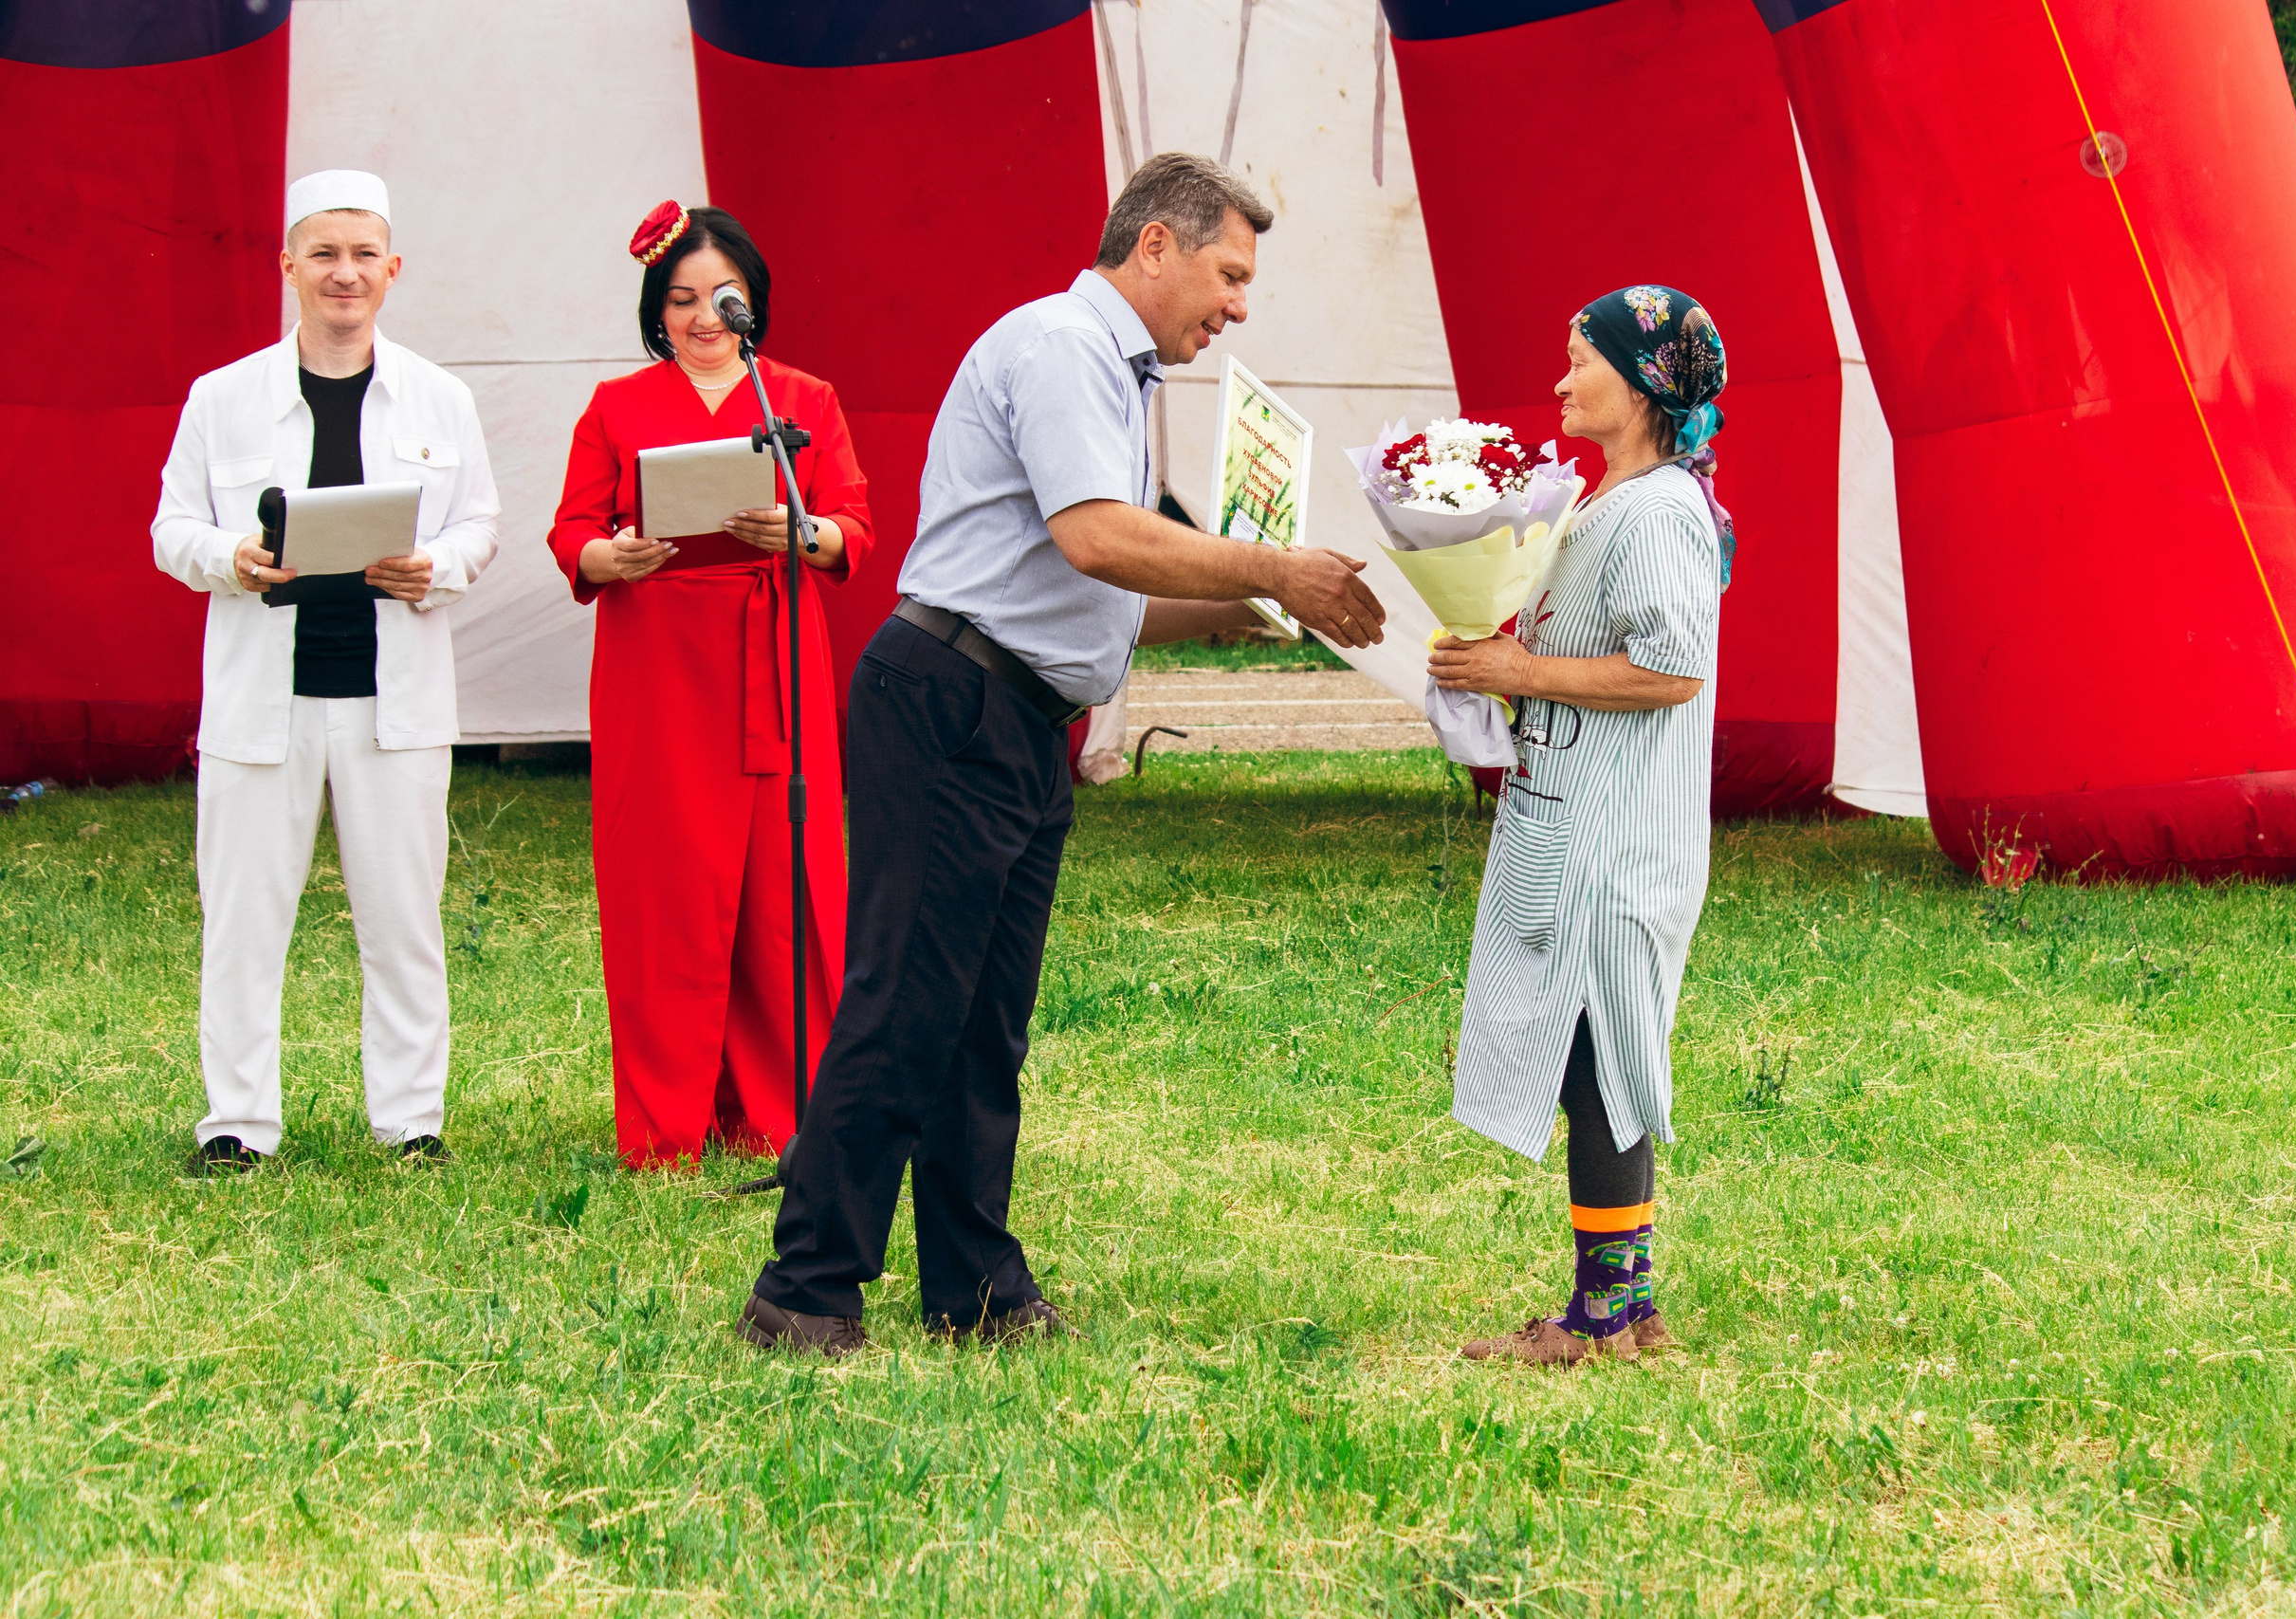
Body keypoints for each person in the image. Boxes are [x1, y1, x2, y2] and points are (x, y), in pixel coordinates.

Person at [735, 153, 1387, 1356]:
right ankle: (804, 1290)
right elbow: (1095, 540)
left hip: (1015, 719)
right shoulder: (1061, 347)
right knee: (903, 1001)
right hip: (951, 701)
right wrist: (1267, 567)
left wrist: (1272, 606)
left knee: (984, 1022)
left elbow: (1112, 595)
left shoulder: (1110, 370)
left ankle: (973, 1288)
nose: (1238, 305)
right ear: (1154, 245)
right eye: (1228, 273)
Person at [152, 170, 500, 1174]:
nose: (342, 274)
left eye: (362, 255)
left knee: (402, 921)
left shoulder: (440, 395)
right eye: (322, 253)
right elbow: (171, 527)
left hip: (395, 700)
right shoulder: (224, 398)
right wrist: (233, 558)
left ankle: (410, 1122)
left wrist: (435, 568)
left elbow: (479, 523)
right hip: (264, 700)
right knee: (244, 920)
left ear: (392, 270)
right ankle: (237, 1124)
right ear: (289, 267)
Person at [1428, 285, 1732, 1366]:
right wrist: (1494, 671)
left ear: (1642, 381)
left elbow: (1671, 670)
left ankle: (1605, 1317)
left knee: (1603, 1058)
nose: (1560, 380)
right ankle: (1621, 1303)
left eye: (1580, 359)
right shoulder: (1614, 503)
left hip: (1619, 842)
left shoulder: (1656, 513)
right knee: (1591, 1056)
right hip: (1582, 828)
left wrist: (1519, 669)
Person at [546, 203, 872, 1169]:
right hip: (659, 667)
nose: (702, 317)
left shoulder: (801, 400)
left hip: (774, 658)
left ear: (752, 301)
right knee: (667, 891)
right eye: (681, 299)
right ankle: (663, 1124)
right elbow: (572, 531)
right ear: (658, 309)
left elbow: (853, 522)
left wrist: (799, 534)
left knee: (784, 890)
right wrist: (612, 555)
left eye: (720, 297)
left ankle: (787, 1110)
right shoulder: (616, 407)